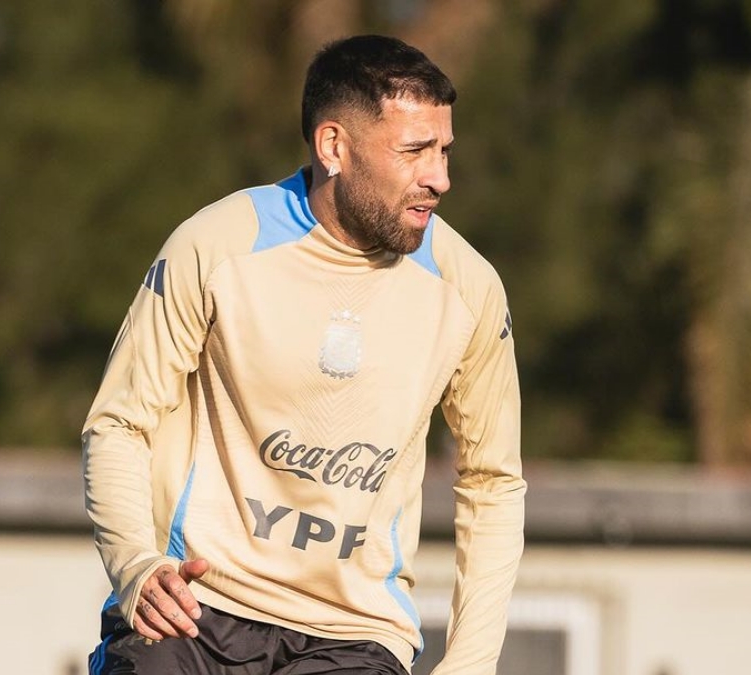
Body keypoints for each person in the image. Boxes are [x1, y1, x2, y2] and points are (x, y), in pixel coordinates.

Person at [83, 34, 524, 675]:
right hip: (197, 605)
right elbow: (120, 422)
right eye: (414, 152)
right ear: (334, 147)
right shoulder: (215, 245)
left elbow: (492, 482)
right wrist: (137, 565)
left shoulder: (470, 289)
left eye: (444, 150)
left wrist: (473, 662)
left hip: (356, 635)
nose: (441, 177)